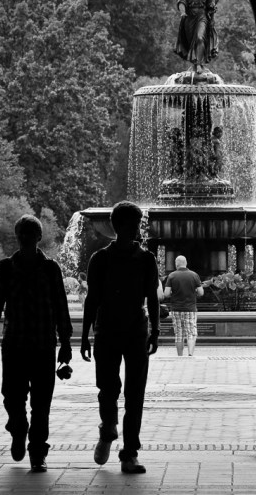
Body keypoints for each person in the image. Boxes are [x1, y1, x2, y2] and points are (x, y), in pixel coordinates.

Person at [0, 215, 72, 472]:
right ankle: (19, 428)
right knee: (12, 397)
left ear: (38, 237)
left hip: (42, 345)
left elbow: (61, 307)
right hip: (17, 344)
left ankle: (37, 452)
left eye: (30, 234)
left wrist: (65, 344)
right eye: (22, 233)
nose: (25, 238)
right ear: (17, 236)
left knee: (41, 403)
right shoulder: (5, 268)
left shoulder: (51, 268)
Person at [80, 201, 160, 474]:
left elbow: (152, 296)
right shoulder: (105, 259)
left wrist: (156, 331)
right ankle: (110, 430)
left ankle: (128, 451)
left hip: (125, 330)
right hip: (120, 330)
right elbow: (92, 298)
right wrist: (83, 335)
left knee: (126, 392)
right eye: (135, 224)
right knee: (112, 388)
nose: (138, 229)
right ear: (122, 226)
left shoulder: (141, 259)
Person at [174, 0, 219, 74]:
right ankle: (195, 62)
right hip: (189, 17)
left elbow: (211, 5)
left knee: (200, 37)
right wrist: (183, 12)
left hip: (202, 17)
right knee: (191, 42)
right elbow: (181, 2)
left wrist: (212, 19)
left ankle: (198, 63)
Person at [164, 255, 203, 356]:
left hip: (176, 308)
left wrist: (174, 292)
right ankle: (190, 354)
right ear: (186, 263)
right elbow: (201, 292)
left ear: (176, 264)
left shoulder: (171, 276)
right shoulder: (194, 275)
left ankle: (180, 356)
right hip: (190, 308)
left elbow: (166, 294)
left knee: (179, 333)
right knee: (191, 332)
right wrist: (193, 292)